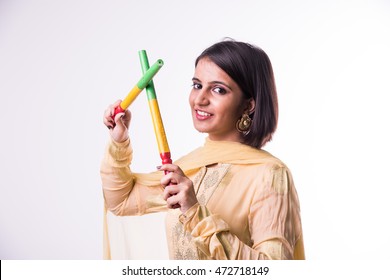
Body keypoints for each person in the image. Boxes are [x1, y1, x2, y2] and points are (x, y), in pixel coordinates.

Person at [101, 39, 305, 260]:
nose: (200, 99)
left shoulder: (269, 174)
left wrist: (195, 213)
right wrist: (119, 141)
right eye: (197, 85)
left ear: (248, 105)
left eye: (218, 89)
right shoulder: (190, 168)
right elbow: (120, 202)